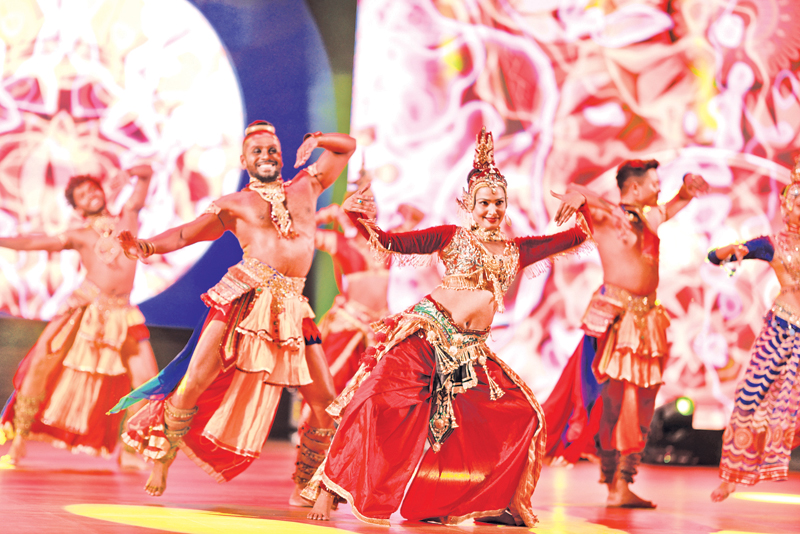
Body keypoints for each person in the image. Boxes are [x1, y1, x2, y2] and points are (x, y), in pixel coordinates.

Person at [302, 127, 593, 526]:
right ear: (467, 205)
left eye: (499, 202)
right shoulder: (451, 237)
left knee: (523, 413)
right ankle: (328, 489)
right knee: (374, 402)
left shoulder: (517, 250)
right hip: (426, 336)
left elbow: (579, 235)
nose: (492, 210)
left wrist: (584, 202)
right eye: (484, 202)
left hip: (471, 352)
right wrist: (355, 213)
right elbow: (388, 242)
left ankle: (492, 505)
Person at [111, 121, 355, 498]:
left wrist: (318, 140)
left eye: (271, 149)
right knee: (194, 382)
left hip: (295, 307)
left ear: (281, 154)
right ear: (244, 160)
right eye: (257, 151)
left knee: (325, 400)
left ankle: (305, 481)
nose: (266, 156)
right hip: (242, 298)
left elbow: (346, 147)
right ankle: (162, 458)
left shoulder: (308, 185)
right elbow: (184, 233)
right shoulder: (234, 204)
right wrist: (146, 247)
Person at [542, 159, 709, 508]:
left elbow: (675, 203)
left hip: (648, 320)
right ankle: (615, 483)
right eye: (653, 183)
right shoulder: (606, 217)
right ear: (634, 187)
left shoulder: (650, 217)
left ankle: (622, 482)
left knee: (642, 401)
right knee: (617, 402)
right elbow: (582, 193)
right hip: (618, 320)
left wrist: (688, 190)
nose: (658, 188)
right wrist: (577, 196)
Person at [0, 166, 158, 467]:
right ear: (77, 208)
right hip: (84, 308)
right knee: (41, 366)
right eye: (82, 195)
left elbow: (147, 173)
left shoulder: (128, 217)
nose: (91, 195)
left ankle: (129, 450)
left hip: (123, 313)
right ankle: (19, 440)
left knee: (146, 379)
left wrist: (128, 173)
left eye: (93, 189)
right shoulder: (79, 235)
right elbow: (33, 244)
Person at [708, 163, 800, 502]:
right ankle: (733, 475)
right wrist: (733, 252)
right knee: (748, 399)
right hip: (781, 329)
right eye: (796, 201)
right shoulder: (772, 243)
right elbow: (714, 256)